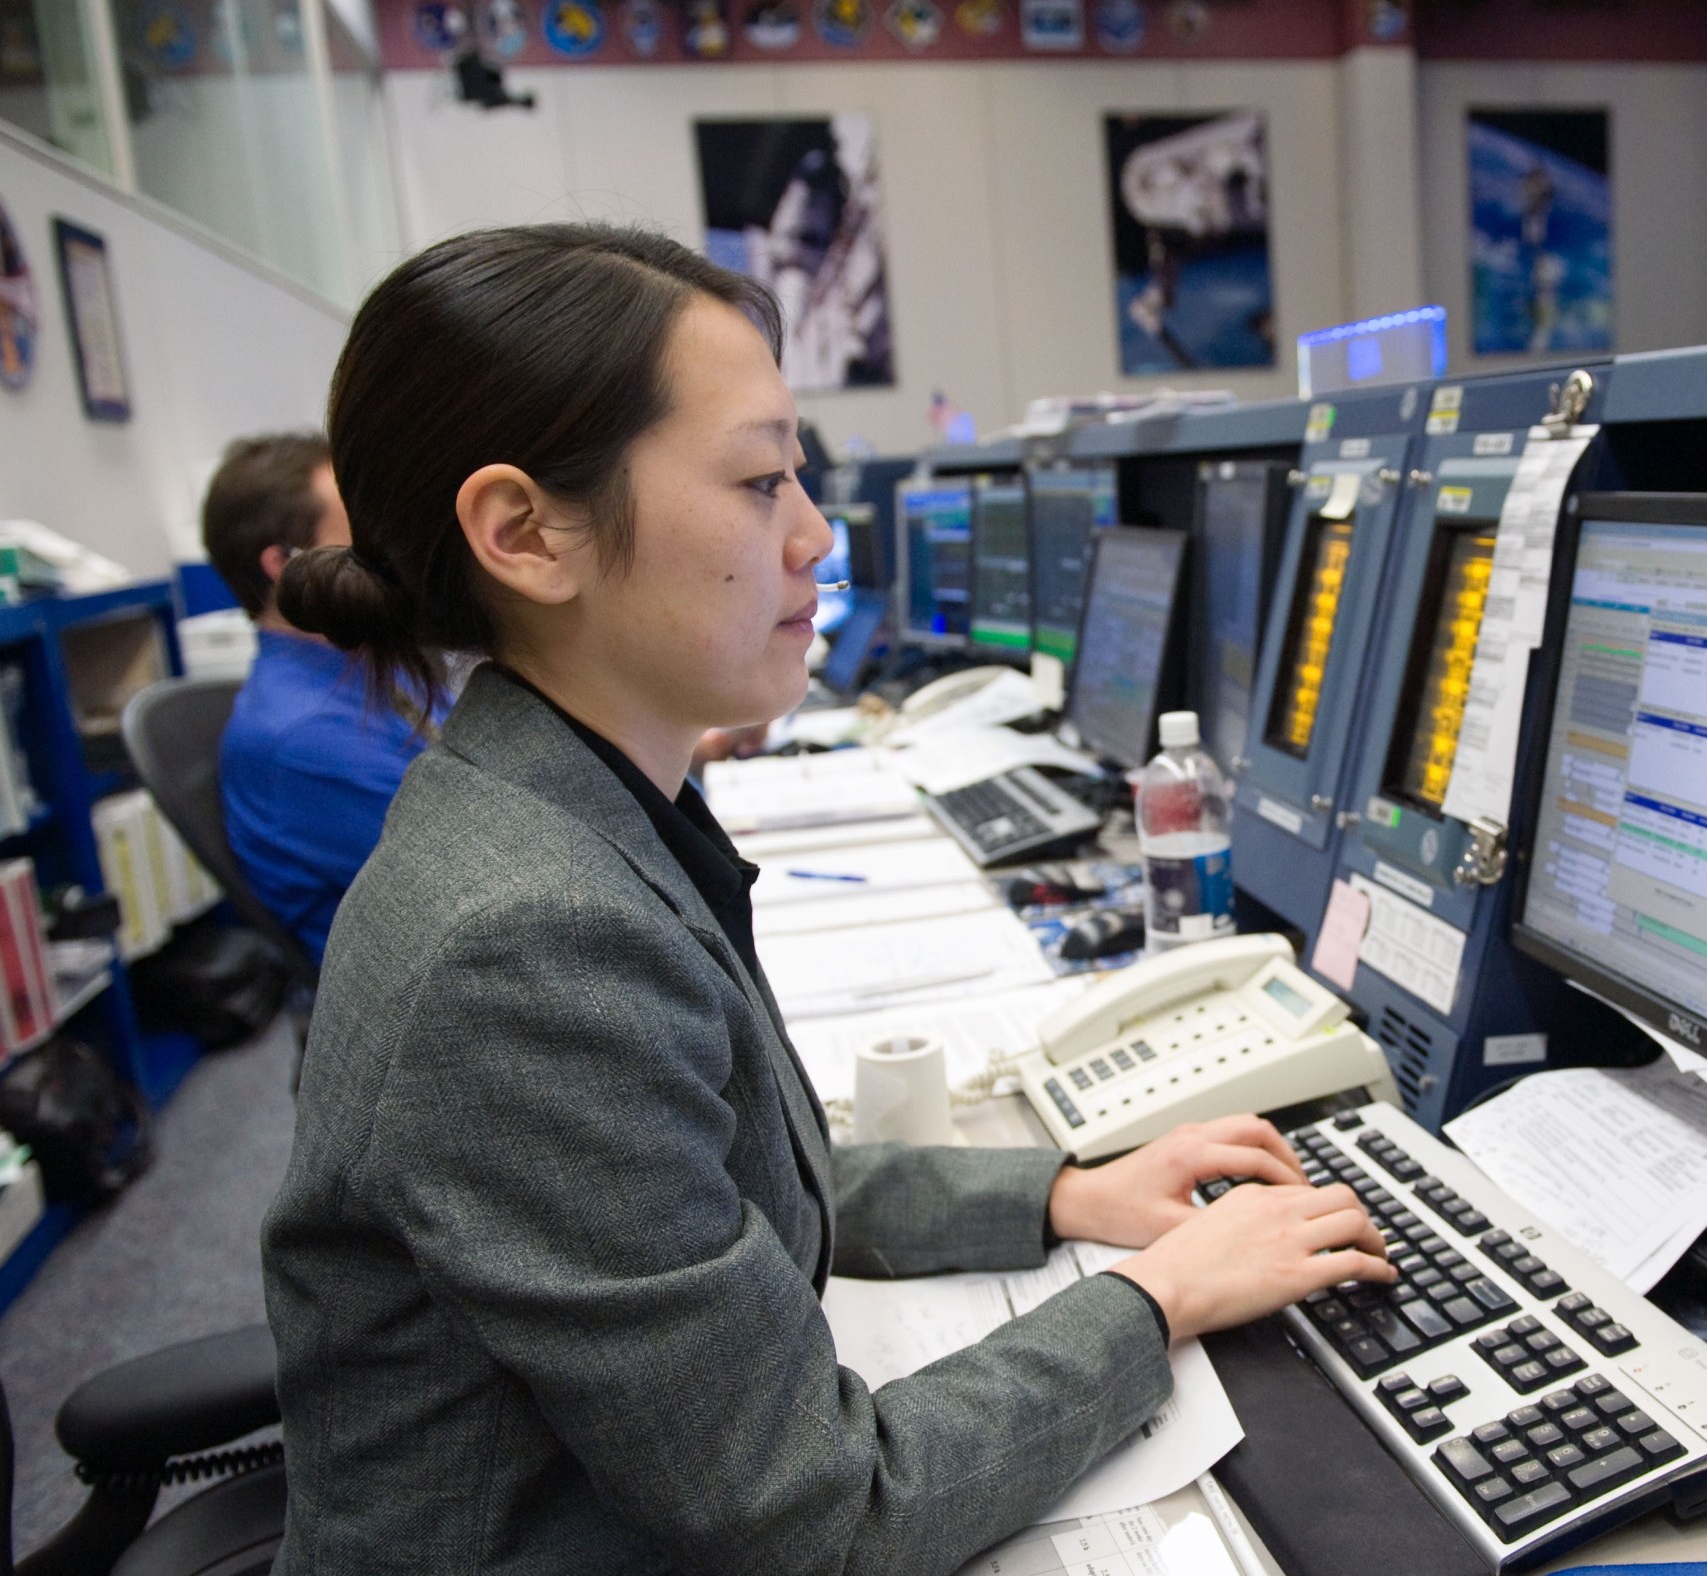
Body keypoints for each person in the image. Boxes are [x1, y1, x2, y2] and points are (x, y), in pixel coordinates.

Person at [260, 224, 1392, 1575]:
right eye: (758, 482)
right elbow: (820, 1517)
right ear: (525, 533)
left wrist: (1067, 1194)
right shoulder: (525, 939)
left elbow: (735, 1176)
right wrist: (1155, 1304)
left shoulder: (578, 808)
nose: (816, 540)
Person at [201, 432, 438, 967]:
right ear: (286, 565)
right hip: (426, 991)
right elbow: (474, 860)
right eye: (362, 530)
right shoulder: (301, 736)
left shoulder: (368, 661)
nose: (392, 545)